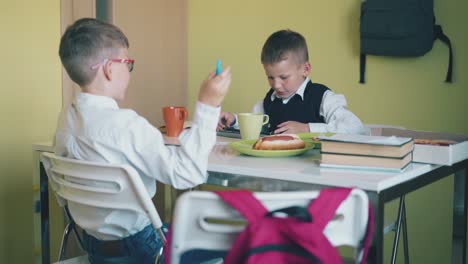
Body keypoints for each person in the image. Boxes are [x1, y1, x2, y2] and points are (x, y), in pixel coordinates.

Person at [55, 18, 231, 263]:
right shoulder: (125, 124)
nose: (129, 70)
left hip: (95, 249)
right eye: (127, 63)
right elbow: (188, 174)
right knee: (230, 242)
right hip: (145, 252)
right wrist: (208, 105)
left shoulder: (67, 119)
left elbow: (61, 195)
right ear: (108, 68)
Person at [218, 29, 367, 135]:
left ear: (305, 69)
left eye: (283, 77)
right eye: (270, 77)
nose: (276, 85)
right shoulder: (267, 102)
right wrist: (233, 120)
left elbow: (356, 128)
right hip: (276, 171)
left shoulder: (323, 98)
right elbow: (257, 128)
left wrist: (307, 128)